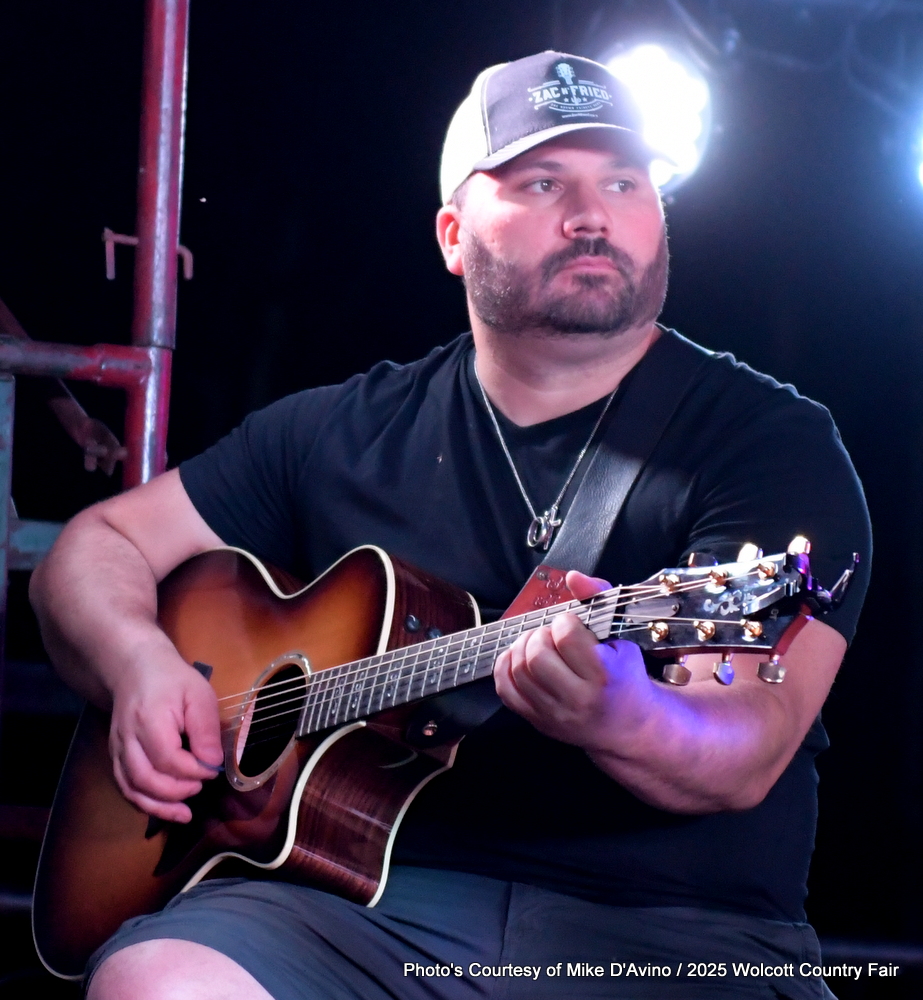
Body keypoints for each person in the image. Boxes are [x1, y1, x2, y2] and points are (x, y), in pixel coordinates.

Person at [30, 51, 870, 1000]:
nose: (591, 216)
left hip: (671, 932)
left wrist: (623, 714)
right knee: (157, 980)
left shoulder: (769, 442)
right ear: (452, 235)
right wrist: (138, 663)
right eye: (542, 183)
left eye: (624, 183)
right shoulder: (339, 429)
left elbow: (749, 746)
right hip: (362, 911)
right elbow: (94, 549)